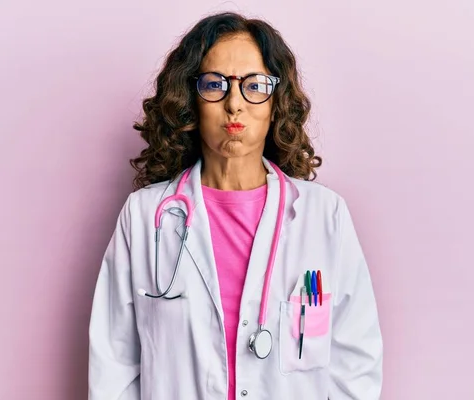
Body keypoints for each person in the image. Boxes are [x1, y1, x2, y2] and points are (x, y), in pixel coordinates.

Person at [88, 11, 383, 400]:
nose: (234, 104)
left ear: (276, 103)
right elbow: (114, 366)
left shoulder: (324, 216)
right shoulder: (144, 218)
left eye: (254, 85)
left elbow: (355, 367)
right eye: (215, 84)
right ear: (190, 101)